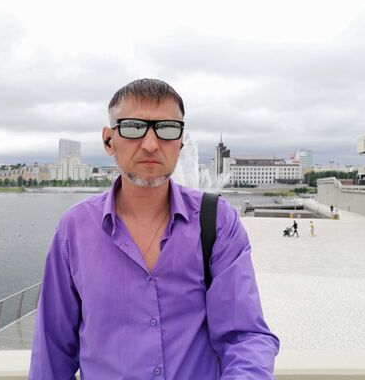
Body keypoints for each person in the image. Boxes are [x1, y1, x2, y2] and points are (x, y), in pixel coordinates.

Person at [29, 79, 279, 379]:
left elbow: (245, 337)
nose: (150, 144)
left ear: (181, 140)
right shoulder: (75, 229)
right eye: (133, 127)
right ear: (109, 140)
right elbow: (52, 351)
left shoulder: (217, 221)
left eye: (167, 128)